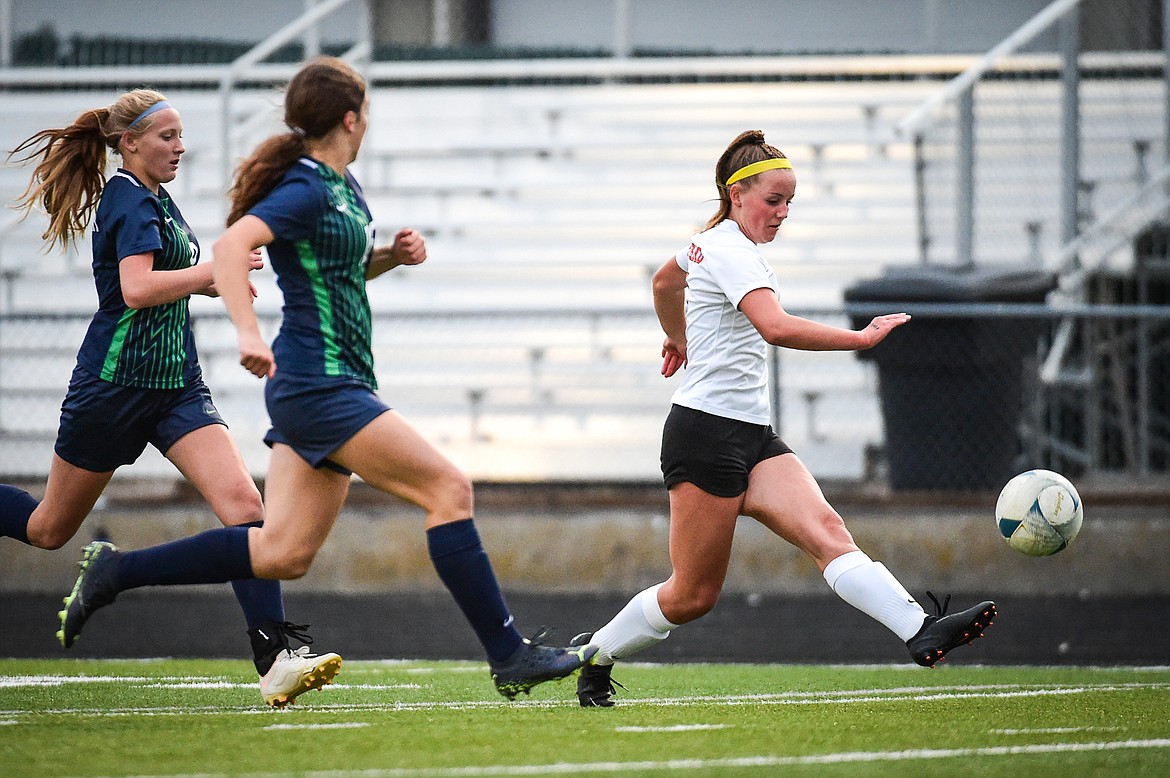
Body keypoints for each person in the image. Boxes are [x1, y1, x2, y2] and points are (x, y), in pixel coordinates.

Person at [54, 57, 596, 701]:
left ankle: (117, 572)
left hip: (329, 385)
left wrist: (391, 257)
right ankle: (508, 654)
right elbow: (230, 249)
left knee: (281, 552)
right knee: (449, 489)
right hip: (320, 386)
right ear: (350, 117)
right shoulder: (307, 187)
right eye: (365, 112)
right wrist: (249, 333)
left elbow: (340, 270)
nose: (367, 122)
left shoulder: (344, 186)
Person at [569, 130, 997, 707]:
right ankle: (593, 656)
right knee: (693, 595)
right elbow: (775, 326)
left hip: (751, 436)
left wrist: (678, 335)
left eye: (790, 201)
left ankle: (919, 629)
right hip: (703, 434)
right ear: (737, 193)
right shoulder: (729, 248)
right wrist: (859, 338)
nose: (783, 212)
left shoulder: (711, 244)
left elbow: (666, 280)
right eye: (774, 199)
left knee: (829, 534)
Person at [1, 90, 341, 707]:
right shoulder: (127, 198)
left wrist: (210, 285)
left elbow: (166, 282)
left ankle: (275, 658)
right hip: (114, 387)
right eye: (166, 137)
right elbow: (135, 289)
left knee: (244, 506)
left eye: (181, 137)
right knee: (49, 527)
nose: (179, 148)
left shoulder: (158, 196)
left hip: (175, 385)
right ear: (128, 143)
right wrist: (212, 270)